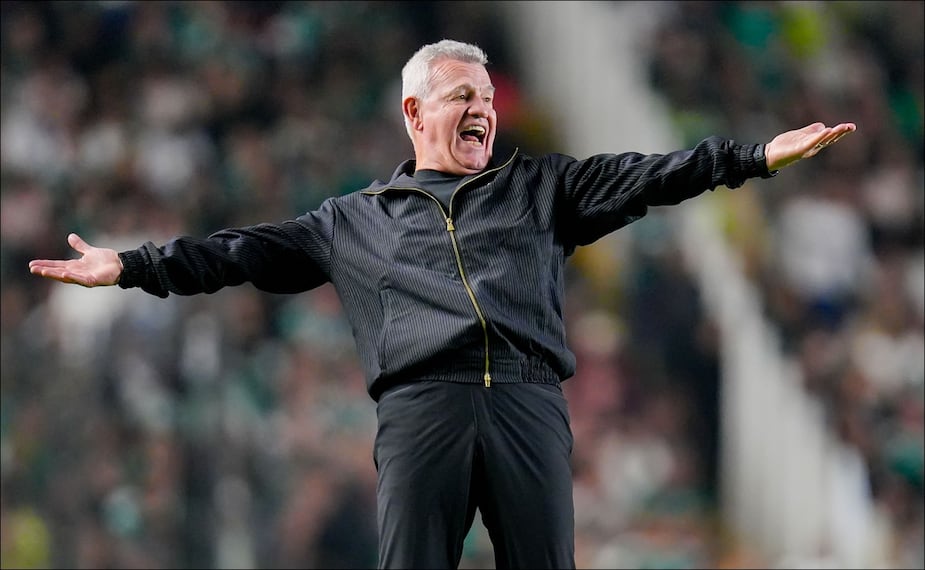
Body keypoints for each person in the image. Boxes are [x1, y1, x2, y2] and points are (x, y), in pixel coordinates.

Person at [29, 39, 856, 569]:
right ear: (414, 111)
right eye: (464, 95)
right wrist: (133, 266)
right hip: (421, 410)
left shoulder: (540, 187)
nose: (484, 110)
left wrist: (750, 157)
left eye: (489, 98)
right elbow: (235, 251)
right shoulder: (349, 221)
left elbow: (648, 175)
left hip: (529, 402)